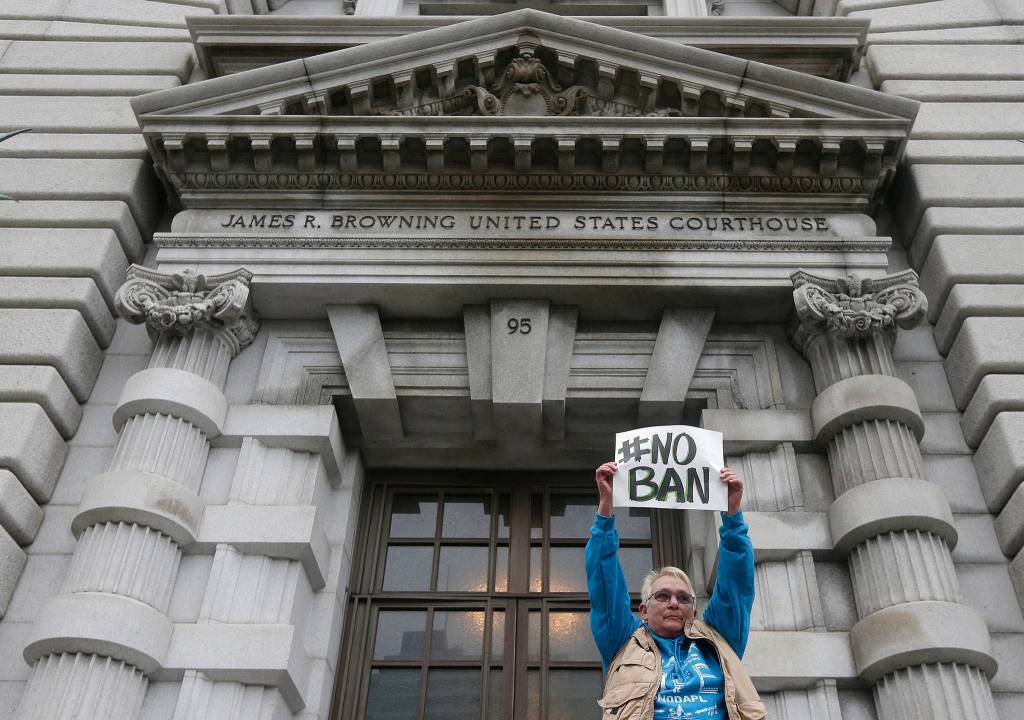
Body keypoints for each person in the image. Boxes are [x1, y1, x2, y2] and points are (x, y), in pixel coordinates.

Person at [585, 461, 765, 720]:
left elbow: (736, 584)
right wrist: (606, 508)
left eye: (683, 598)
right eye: (662, 595)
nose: (673, 603)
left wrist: (732, 513)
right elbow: (603, 581)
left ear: (693, 610)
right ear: (644, 610)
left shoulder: (719, 640)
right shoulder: (622, 641)